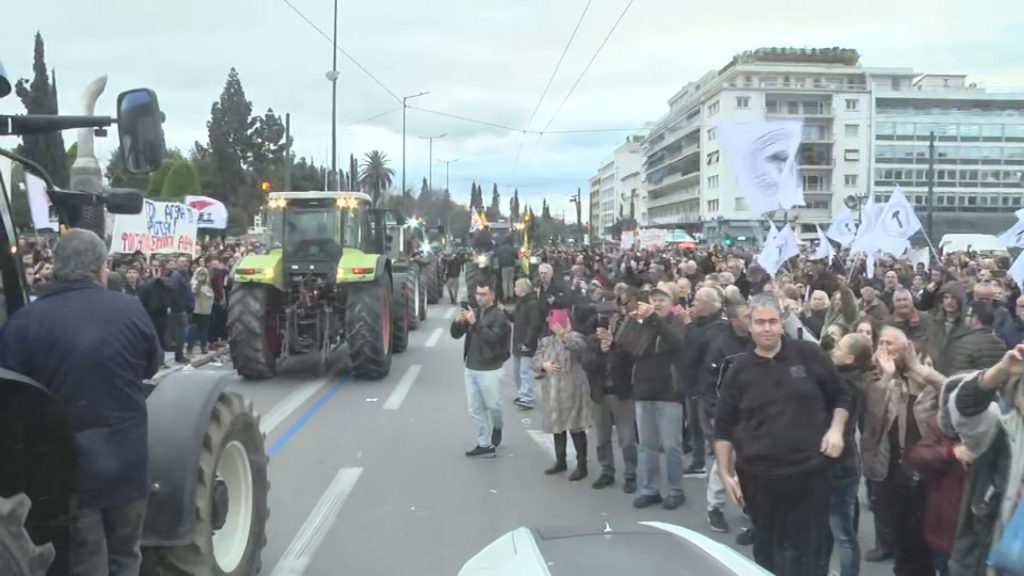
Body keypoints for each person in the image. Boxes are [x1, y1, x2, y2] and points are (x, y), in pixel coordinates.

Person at [0, 229, 163, 576]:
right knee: (126, 557)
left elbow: (13, 393)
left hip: (72, 474)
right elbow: (152, 365)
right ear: (101, 269)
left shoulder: (25, 322)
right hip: (129, 466)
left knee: (87, 563)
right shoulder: (131, 310)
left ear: (55, 268)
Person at [714, 293, 852, 576]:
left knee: (811, 551)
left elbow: (842, 397)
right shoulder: (739, 370)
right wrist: (727, 475)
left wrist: (836, 429)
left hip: (810, 473)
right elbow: (723, 427)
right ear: (749, 326)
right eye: (760, 322)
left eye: (773, 321)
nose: (767, 328)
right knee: (768, 550)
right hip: (759, 478)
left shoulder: (809, 354)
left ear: (781, 323)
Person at [626, 282, 688, 510]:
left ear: (671, 303)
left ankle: (675, 490)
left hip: (669, 392)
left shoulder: (676, 323)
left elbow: (676, 342)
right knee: (647, 445)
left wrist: (654, 319)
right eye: (653, 300)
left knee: (672, 445)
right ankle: (650, 489)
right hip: (644, 390)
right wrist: (630, 321)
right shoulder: (643, 324)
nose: (657, 303)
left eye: (662, 299)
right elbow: (626, 347)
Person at [827, 332, 873, 576]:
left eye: (840, 347)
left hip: (840, 465)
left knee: (842, 532)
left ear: (851, 357)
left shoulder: (846, 384)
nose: (835, 350)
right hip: (845, 464)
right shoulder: (851, 378)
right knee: (840, 528)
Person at [450, 280, 510, 458]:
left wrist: (475, 323)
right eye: (477, 294)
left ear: (491, 295)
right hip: (471, 366)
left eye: (483, 294)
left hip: (491, 368)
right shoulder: (473, 312)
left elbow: (492, 338)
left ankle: (497, 426)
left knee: (493, 406)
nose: (480, 298)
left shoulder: (499, 316)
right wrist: (458, 322)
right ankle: (485, 443)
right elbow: (455, 335)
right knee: (475, 408)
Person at [533, 308, 593, 481]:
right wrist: (543, 365)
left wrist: (565, 337)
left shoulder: (576, 338)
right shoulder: (546, 341)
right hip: (552, 389)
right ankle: (561, 460)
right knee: (556, 425)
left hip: (573, 388)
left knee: (575, 426)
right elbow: (535, 360)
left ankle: (582, 465)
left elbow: (581, 352)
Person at [589, 289, 638, 493]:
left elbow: (631, 360)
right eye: (603, 315)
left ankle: (630, 474)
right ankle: (607, 470)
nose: (607, 319)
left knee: (627, 439)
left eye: (611, 314)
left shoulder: (627, 334)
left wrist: (614, 346)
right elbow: (587, 364)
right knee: (602, 438)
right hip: (600, 393)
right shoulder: (592, 337)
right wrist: (601, 350)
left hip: (622, 393)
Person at [507, 278, 543, 409]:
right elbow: (514, 318)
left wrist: (528, 342)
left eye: (516, 287)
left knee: (524, 371)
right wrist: (505, 312)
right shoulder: (521, 303)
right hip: (518, 341)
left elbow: (534, 325)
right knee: (517, 370)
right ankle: (522, 394)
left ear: (523, 289)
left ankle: (527, 397)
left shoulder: (532, 304)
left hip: (526, 343)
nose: (515, 289)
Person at [186, 266, 214, 356]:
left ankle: (203, 346)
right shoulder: (194, 283)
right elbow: (195, 291)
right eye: (200, 274)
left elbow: (211, 296)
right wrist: (199, 282)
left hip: (206, 311)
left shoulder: (208, 285)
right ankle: (189, 348)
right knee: (193, 331)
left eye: (204, 274)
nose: (202, 276)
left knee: (204, 331)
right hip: (196, 311)